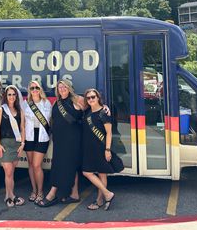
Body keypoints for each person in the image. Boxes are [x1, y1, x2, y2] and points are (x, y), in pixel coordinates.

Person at [38, 79, 83, 207]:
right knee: (70, 166)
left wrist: (105, 108)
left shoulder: (77, 100)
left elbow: (95, 105)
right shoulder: (57, 103)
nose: (62, 89)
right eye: (59, 87)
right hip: (59, 140)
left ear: (69, 88)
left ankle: (52, 194)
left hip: (72, 140)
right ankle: (74, 194)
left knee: (60, 166)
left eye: (64, 86)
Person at [82, 88, 123, 211]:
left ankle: (100, 199)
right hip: (89, 148)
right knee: (87, 172)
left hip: (101, 148)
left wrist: (108, 149)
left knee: (101, 174)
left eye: (93, 97)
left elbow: (109, 133)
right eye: (88, 98)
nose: (91, 99)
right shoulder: (88, 111)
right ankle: (107, 194)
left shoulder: (103, 114)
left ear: (98, 98)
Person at [0, 84, 26, 208]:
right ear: (5, 96)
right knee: (8, 172)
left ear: (16, 96)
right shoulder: (1, 110)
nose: (11, 97)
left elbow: (22, 128)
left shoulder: (20, 111)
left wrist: (22, 144)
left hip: (16, 144)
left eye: (13, 94)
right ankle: (11, 196)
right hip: (5, 144)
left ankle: (8, 196)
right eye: (9, 94)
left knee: (11, 172)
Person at [24, 80, 52, 205]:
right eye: (32, 88)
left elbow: (51, 120)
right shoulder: (25, 104)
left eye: (36, 87)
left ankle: (40, 192)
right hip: (29, 136)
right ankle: (34, 190)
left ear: (40, 89)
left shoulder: (46, 103)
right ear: (29, 90)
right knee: (30, 164)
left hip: (42, 136)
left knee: (36, 165)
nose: (34, 90)